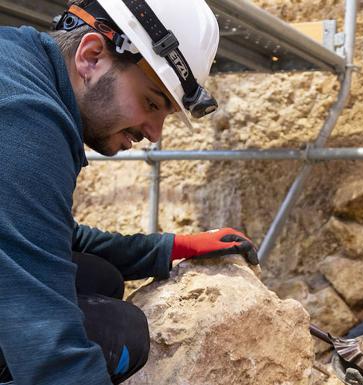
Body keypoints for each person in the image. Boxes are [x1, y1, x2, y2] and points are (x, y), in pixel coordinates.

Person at [0, 1, 258, 384]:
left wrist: (171, 248)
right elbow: (47, 341)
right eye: (151, 103)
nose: (155, 132)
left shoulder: (23, 67)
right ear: (91, 56)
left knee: (98, 278)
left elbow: (40, 236)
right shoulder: (24, 121)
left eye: (165, 113)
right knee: (119, 333)